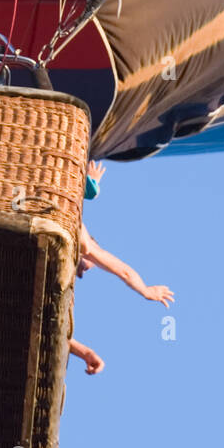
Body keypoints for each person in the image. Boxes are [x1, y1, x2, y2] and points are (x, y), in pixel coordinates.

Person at [68, 160, 175, 375]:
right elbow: (121, 270)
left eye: (79, 273)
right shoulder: (83, 241)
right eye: (86, 268)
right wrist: (145, 290)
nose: (83, 272)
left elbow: (57, 332)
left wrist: (85, 353)